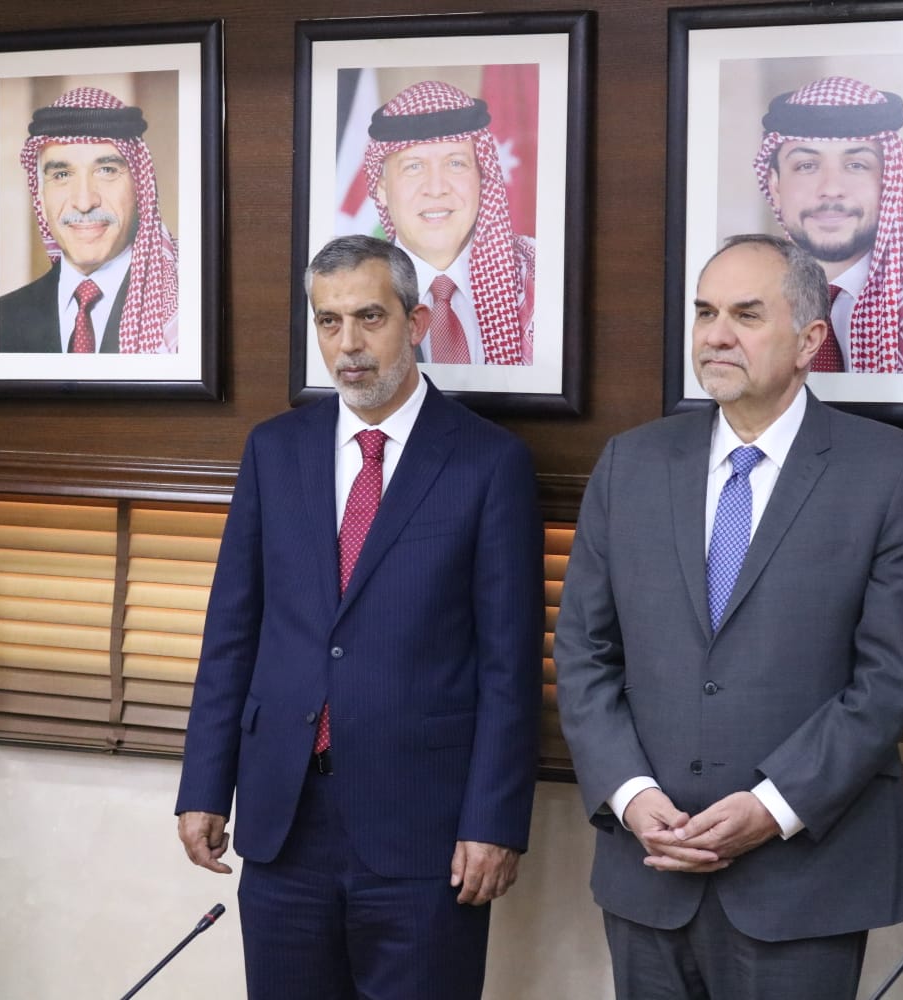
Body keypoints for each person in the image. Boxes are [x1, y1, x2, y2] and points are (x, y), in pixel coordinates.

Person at [554, 234, 903, 1000]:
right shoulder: (631, 463)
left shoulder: (890, 471)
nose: (716, 334)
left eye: (746, 314)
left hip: (803, 880)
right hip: (650, 870)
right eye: (705, 312)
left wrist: (772, 808)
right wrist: (631, 796)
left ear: (809, 340)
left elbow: (890, 680)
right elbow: (583, 653)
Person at [175, 234, 542, 1000]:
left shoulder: (488, 462)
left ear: (415, 323)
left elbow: (510, 667)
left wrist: (494, 821)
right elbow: (232, 634)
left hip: (424, 832)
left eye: (369, 318)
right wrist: (205, 785)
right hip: (284, 819)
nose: (348, 344)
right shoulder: (274, 451)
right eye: (329, 321)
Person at [753, 75, 903, 374]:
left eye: (856, 165)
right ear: (775, 186)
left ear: (888, 182)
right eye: (806, 166)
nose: (831, 189)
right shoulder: (739, 306)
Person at [362, 79, 535, 366]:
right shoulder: (351, 287)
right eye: (414, 166)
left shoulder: (541, 276)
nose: (436, 188)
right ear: (381, 187)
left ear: (482, 177)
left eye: (456, 163)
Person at [0, 85, 179, 354]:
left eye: (107, 170)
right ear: (41, 196)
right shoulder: (0, 321)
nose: (84, 202)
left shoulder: (183, 310)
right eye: (61, 175)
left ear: (140, 188)